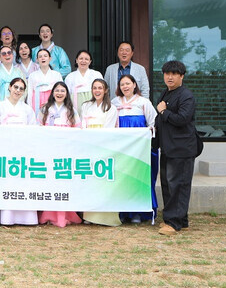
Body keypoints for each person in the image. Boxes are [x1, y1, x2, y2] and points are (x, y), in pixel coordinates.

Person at [155, 61, 198, 236]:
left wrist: (164, 112)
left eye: (174, 74)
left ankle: (173, 223)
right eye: (167, 74)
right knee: (168, 184)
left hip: (182, 148)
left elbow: (183, 119)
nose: (170, 77)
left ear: (182, 76)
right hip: (168, 147)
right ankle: (179, 220)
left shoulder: (186, 95)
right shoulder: (165, 93)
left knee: (178, 185)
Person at [0, 77, 38, 225]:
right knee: (6, 183)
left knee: (23, 182)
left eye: (21, 89)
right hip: (5, 151)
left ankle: (26, 217)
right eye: (15, 87)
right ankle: (5, 216)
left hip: (22, 151)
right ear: (9, 88)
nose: (18, 91)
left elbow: (33, 130)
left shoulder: (27, 109)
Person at [112, 74, 158, 225]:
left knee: (138, 177)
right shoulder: (114, 103)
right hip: (122, 148)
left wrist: (148, 133)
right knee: (122, 178)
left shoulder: (143, 102)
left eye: (128, 83)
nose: (125, 87)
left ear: (134, 85)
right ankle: (123, 211)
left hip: (139, 149)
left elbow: (153, 123)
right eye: (122, 84)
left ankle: (138, 212)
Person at [37, 82, 82, 228]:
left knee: (63, 180)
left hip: (66, 149)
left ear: (67, 93)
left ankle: (64, 214)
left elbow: (78, 129)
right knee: (50, 181)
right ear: (52, 93)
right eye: (57, 90)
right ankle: (49, 213)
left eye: (63, 91)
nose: (59, 93)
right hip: (49, 148)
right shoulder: (45, 109)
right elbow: (38, 128)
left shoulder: (71, 111)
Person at [80, 79, 120, 227]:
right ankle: (89, 215)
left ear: (105, 90)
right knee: (89, 180)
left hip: (104, 147)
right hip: (87, 146)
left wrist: (97, 142)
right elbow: (83, 125)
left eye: (100, 88)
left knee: (104, 181)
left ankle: (105, 217)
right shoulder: (86, 106)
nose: (97, 91)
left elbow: (108, 129)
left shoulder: (111, 108)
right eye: (95, 88)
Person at [27, 49, 62, 117]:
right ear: (37, 60)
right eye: (40, 56)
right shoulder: (32, 75)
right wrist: (30, 109)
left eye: (45, 56)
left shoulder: (57, 75)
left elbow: (60, 92)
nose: (43, 58)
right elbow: (30, 93)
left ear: (50, 58)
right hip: (37, 101)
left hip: (52, 100)